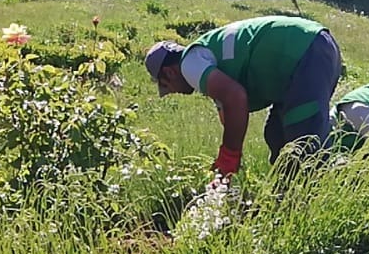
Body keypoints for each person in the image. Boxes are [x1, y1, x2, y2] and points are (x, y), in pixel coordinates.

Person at [145, 15, 343, 177]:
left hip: (304, 51)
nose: (173, 92)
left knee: (303, 145)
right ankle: (286, 201)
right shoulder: (206, 58)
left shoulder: (189, 64)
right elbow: (228, 113)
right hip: (314, 47)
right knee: (276, 135)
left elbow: (236, 97)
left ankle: (309, 205)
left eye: (166, 86)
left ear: (170, 73)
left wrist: (229, 157)